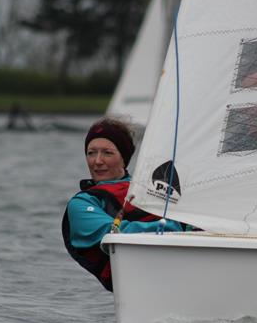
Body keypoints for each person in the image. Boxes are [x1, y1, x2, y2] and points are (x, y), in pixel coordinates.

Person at [62, 118, 186, 291]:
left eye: (107, 153)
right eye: (91, 153)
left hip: (185, 265)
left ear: (123, 158)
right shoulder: (82, 203)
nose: (97, 161)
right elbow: (112, 233)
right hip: (141, 280)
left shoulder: (153, 188)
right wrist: (172, 227)